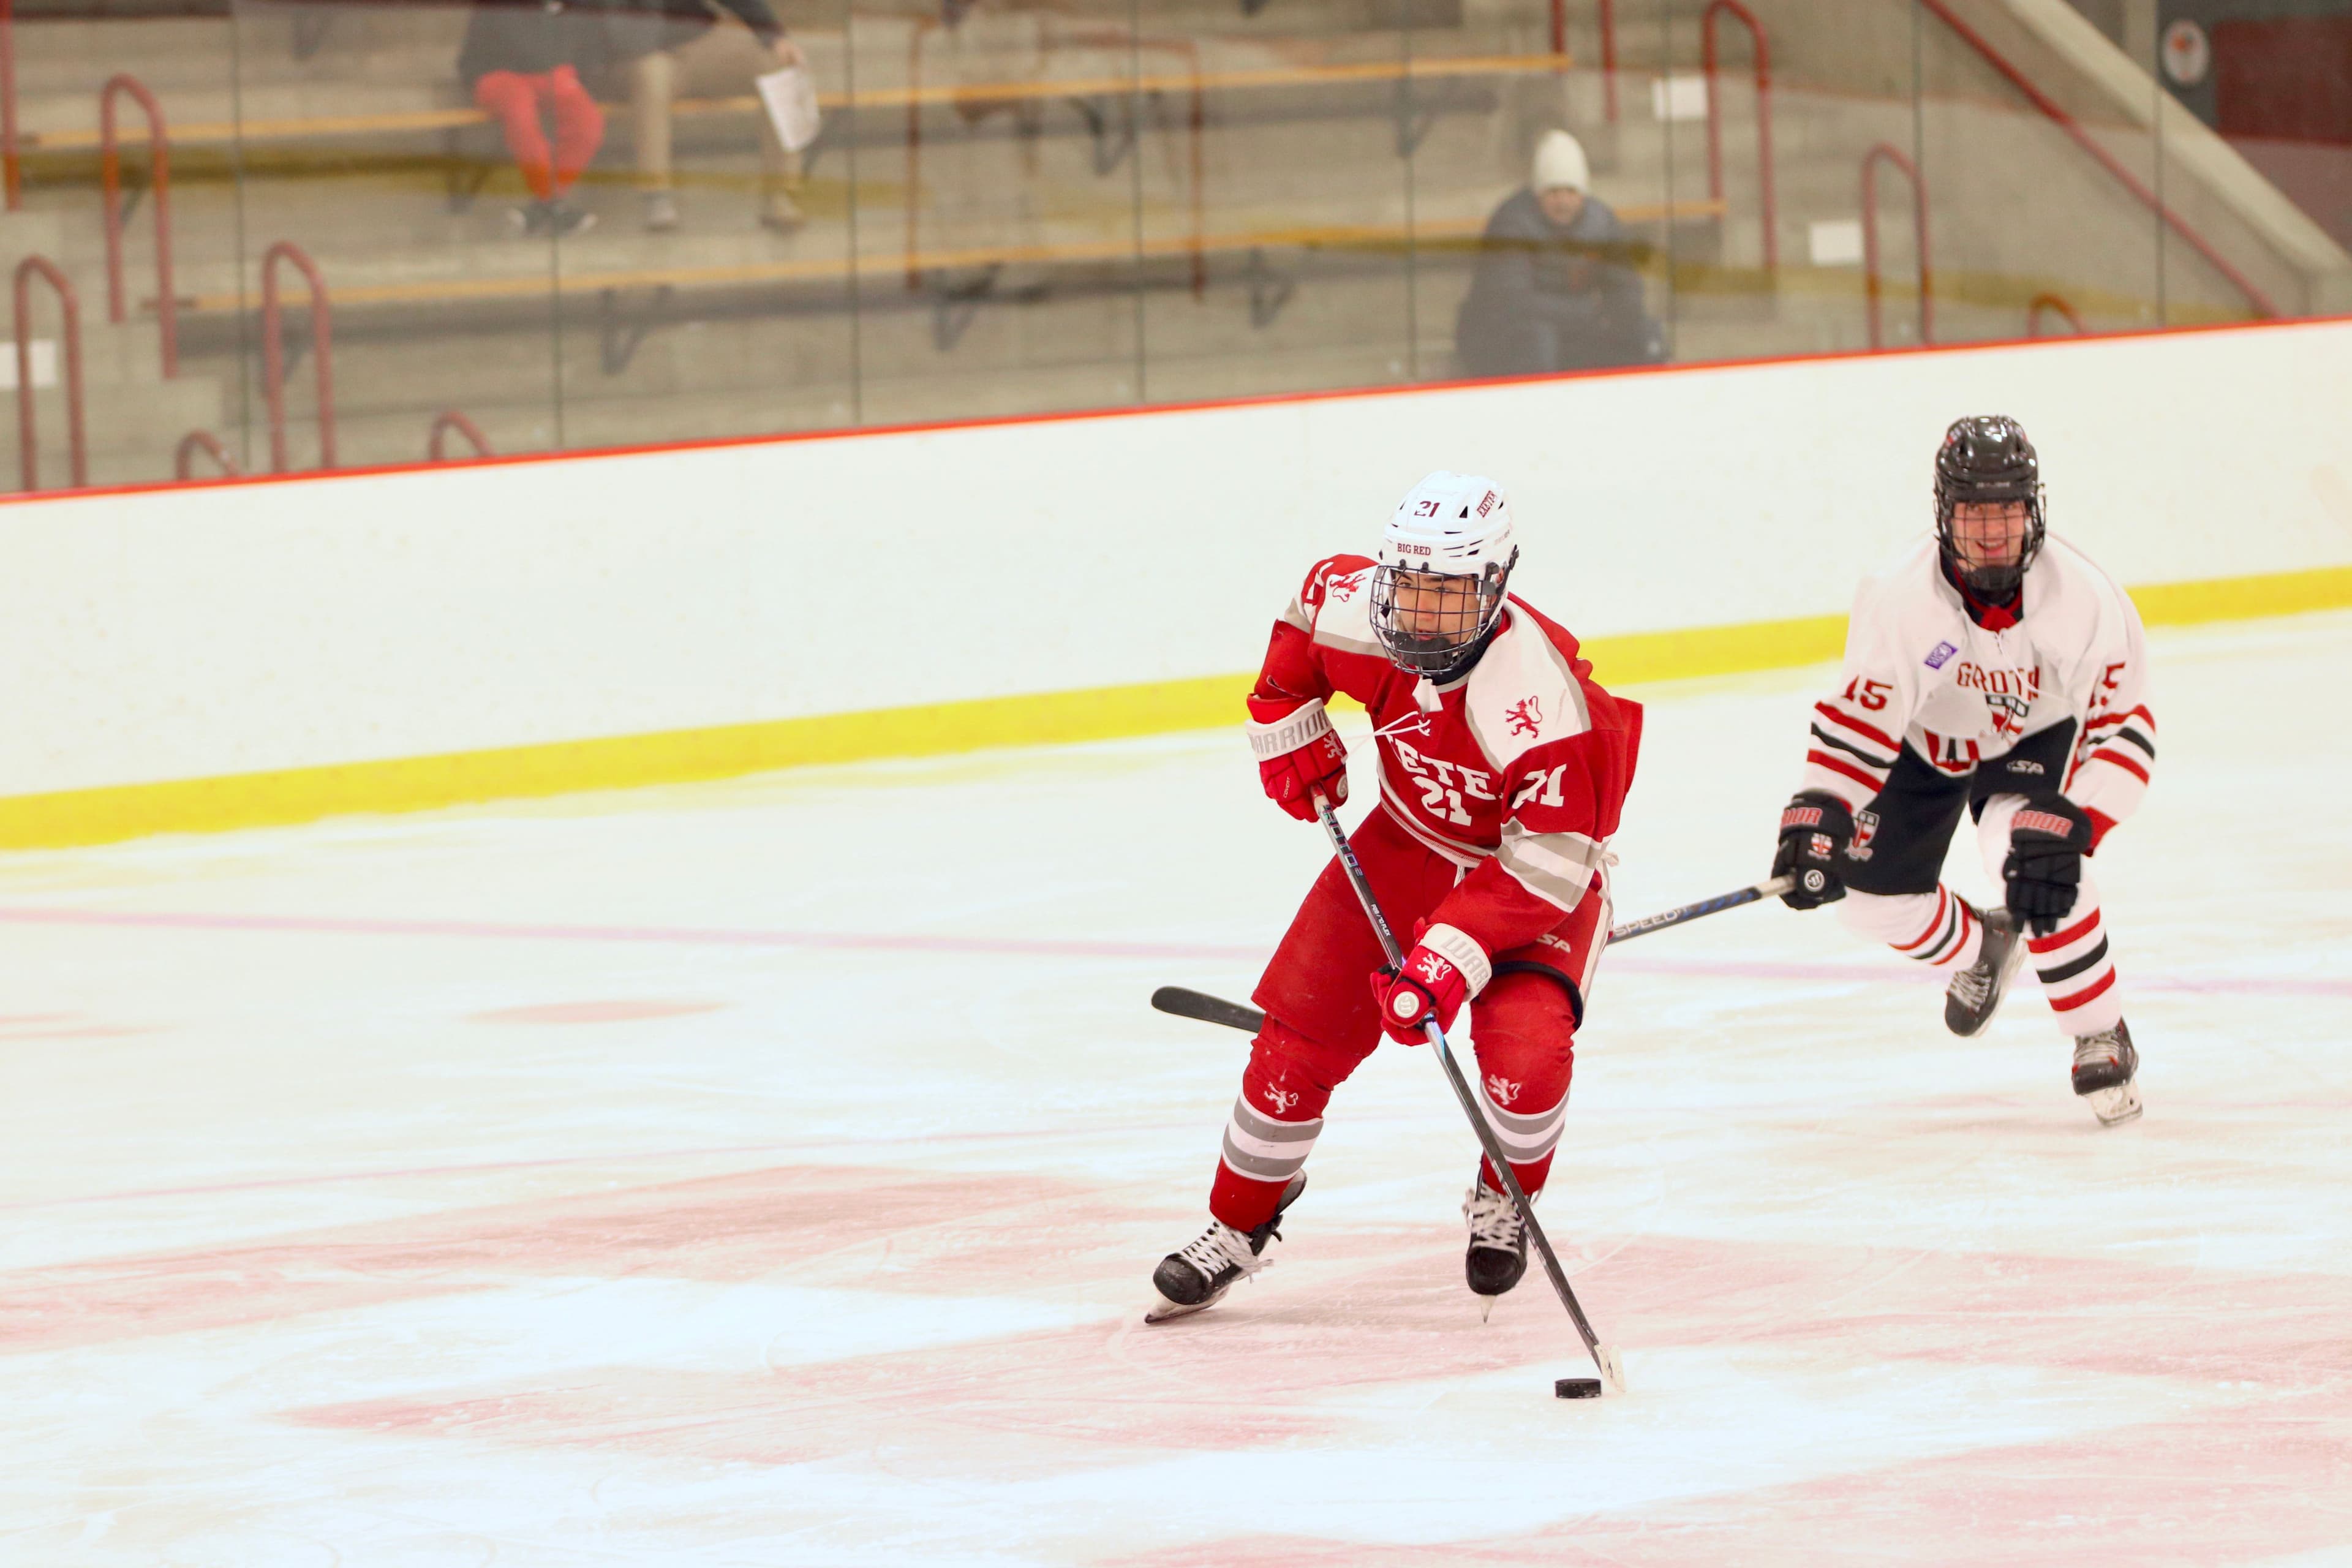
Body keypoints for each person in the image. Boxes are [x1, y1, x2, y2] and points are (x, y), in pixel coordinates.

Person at [1147, 471, 1643, 1323]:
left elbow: (1553, 860)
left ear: (1496, 586)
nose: (1421, 616)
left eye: (1449, 598)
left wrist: (1448, 956)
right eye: (1410, 587)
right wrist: (1287, 729)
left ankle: (1504, 1196)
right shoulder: (1355, 606)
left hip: (1527, 885)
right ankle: (1236, 1226)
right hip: (1401, 845)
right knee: (1292, 1049)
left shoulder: (1542, 700)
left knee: (1527, 1064)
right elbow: (1298, 640)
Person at [1770, 415, 2155, 1126]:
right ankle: (1984, 946)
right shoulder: (1898, 597)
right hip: (1927, 741)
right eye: (1974, 512)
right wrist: (1821, 806)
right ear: (1945, 513)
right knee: (1859, 899)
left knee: (2027, 850)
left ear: (2033, 509)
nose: (1990, 532)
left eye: (2006, 510)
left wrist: (2077, 817)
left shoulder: (2084, 598)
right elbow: (1863, 722)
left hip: (2031, 737)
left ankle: (2099, 1029)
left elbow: (2125, 729)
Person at [1455, 129, 1662, 378]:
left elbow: (1625, 286)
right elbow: (1511, 302)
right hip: (1502, 338)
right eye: (1553, 192)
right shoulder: (1511, 223)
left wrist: (1621, 317)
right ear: (1538, 193)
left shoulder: (1602, 222)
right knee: (1538, 340)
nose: (1563, 202)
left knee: (1646, 336)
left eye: (1571, 192)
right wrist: (1586, 312)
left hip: (1573, 331)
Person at [601, 0, 808, 232]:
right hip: (640, 53)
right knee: (651, 78)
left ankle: (779, 194)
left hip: (697, 40)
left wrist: (774, 35)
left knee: (779, 64)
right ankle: (656, 194)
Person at [458, 0, 612, 237]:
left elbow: (587, 44)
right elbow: (510, 45)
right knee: (521, 114)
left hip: (551, 71)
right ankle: (552, 202)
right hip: (497, 72)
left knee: (588, 123)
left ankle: (543, 206)